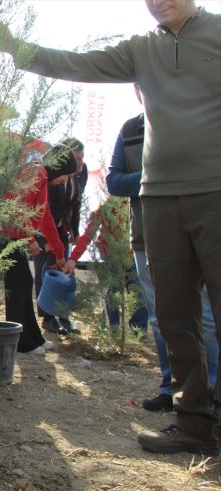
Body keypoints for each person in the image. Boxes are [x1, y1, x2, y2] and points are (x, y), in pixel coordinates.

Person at [0, 0, 221, 455]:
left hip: (214, 192)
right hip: (158, 198)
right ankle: (194, 423)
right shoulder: (140, 49)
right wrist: (12, 46)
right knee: (173, 315)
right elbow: (76, 63)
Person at [105, 101, 218, 413]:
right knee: (162, 318)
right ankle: (173, 388)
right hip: (148, 238)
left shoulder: (200, 114)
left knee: (206, 317)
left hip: (203, 236)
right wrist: (154, 173)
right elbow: (114, 181)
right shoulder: (131, 129)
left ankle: (209, 394)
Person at [2, 142, 73, 355]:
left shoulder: (40, 174)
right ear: (60, 167)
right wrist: (28, 238)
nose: (65, 181)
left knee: (24, 283)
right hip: (7, 236)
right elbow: (16, 204)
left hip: (14, 235)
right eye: (68, 175)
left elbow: (46, 218)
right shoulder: (36, 171)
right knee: (18, 286)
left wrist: (59, 252)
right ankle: (20, 342)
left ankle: (33, 338)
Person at [61, 196, 148, 334]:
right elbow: (88, 234)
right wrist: (73, 258)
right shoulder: (107, 206)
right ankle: (114, 330)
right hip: (112, 254)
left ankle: (137, 331)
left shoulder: (138, 203)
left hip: (133, 255)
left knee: (138, 293)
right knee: (115, 291)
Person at [34, 137, 87, 336]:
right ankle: (48, 317)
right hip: (43, 229)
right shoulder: (44, 176)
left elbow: (76, 203)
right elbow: (40, 211)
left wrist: (74, 230)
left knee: (63, 268)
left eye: (82, 159)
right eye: (76, 159)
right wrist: (45, 242)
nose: (80, 164)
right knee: (46, 271)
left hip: (61, 228)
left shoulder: (81, 173)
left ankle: (63, 315)